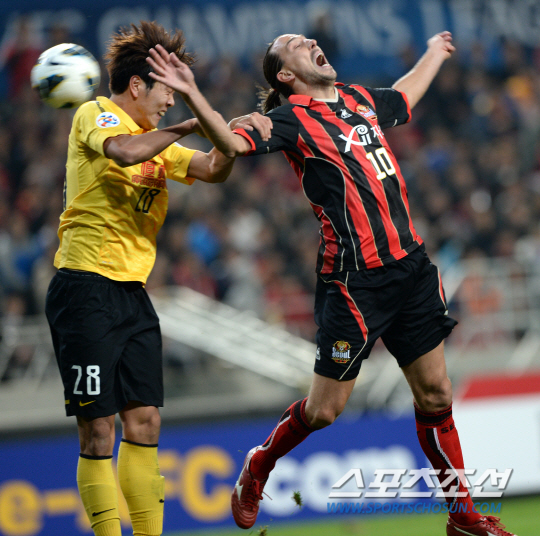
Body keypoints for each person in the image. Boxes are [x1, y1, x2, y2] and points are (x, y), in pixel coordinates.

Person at [146, 32, 516, 536]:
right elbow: (230, 145)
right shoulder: (289, 120)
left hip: (411, 268)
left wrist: (433, 53)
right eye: (297, 44)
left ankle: (463, 516)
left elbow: (403, 96)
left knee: (436, 393)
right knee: (324, 411)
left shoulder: (357, 99)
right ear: (285, 75)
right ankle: (259, 464)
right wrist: (192, 91)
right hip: (355, 284)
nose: (311, 41)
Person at [44, 21, 268, 536]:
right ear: (137, 85)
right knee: (98, 429)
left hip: (133, 294)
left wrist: (224, 128)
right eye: (167, 90)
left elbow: (215, 168)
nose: (170, 102)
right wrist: (188, 126)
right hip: (84, 288)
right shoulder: (95, 114)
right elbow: (124, 152)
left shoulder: (157, 142)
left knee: (145, 422)